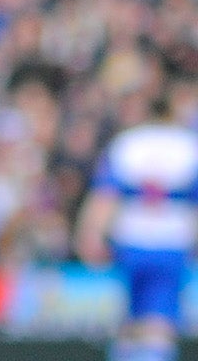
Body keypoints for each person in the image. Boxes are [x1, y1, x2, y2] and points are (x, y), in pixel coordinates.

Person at [75, 99, 198, 361]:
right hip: (171, 242)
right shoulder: (189, 145)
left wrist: (90, 234)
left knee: (130, 316)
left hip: (130, 240)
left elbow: (105, 195)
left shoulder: (127, 143)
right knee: (160, 319)